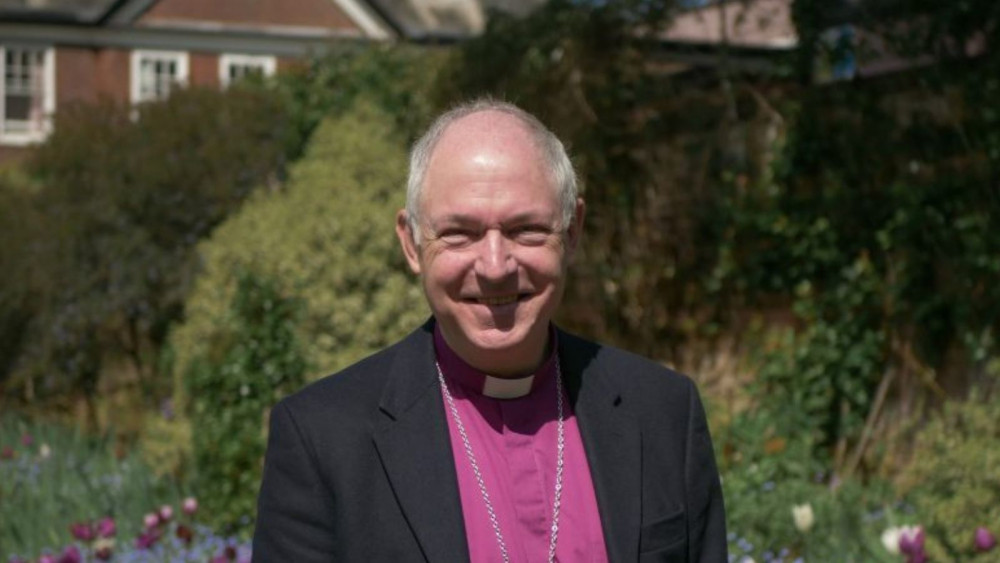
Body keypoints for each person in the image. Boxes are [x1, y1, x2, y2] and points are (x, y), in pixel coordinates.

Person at [252, 99, 727, 562]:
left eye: (526, 230)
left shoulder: (663, 413)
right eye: (460, 233)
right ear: (412, 243)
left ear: (573, 231)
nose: (496, 266)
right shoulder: (323, 436)